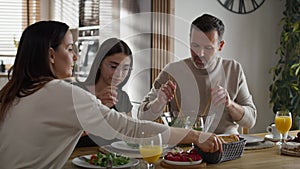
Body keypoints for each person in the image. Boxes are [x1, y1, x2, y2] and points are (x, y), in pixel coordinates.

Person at [0, 21, 222, 168]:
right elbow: (133, 129)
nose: (75, 57)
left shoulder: (13, 90)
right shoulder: (61, 93)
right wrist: (195, 136)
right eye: (69, 49)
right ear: (51, 54)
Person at [137, 13, 257, 134]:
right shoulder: (172, 71)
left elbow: (251, 120)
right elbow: (141, 116)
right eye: (195, 46)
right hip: (184, 147)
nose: (200, 53)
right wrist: (159, 102)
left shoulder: (233, 69)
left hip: (226, 145)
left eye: (208, 48)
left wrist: (229, 104)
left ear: (220, 46)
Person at [75, 38, 133, 147]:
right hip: (76, 159)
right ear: (100, 63)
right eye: (113, 67)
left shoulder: (123, 97)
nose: (119, 74)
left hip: (112, 161)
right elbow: (66, 135)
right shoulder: (77, 91)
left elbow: (128, 136)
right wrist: (97, 106)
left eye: (125, 69)